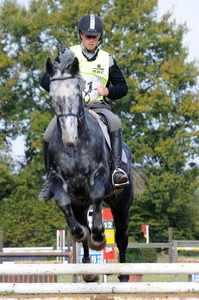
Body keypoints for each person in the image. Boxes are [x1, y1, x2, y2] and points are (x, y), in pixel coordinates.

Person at [38, 14, 129, 201]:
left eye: (94, 36)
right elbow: (45, 80)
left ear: (99, 37)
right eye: (87, 35)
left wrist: (108, 90)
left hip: (98, 107)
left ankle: (117, 170)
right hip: (70, 109)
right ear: (80, 34)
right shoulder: (67, 54)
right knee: (48, 134)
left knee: (115, 122)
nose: (91, 39)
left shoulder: (107, 59)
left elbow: (123, 88)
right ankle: (50, 179)